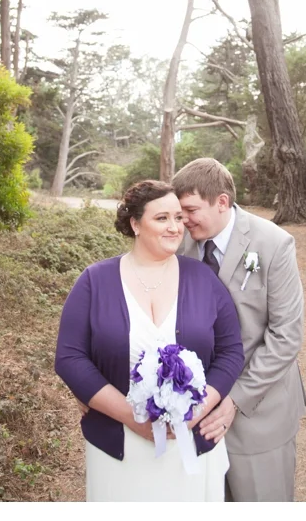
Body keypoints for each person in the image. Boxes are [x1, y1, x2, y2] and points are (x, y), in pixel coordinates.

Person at [55, 180, 245, 502]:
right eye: (161, 219)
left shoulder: (203, 279)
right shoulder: (94, 281)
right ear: (135, 224)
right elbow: (70, 358)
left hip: (191, 445)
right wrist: (133, 418)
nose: (174, 227)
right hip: (121, 449)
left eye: (178, 218)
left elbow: (231, 352)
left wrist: (194, 412)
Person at [172, 158, 306, 502]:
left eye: (189, 210)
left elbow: (286, 336)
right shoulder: (180, 246)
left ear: (221, 202)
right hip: (195, 415)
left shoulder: (274, 244)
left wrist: (233, 400)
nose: (182, 221)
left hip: (260, 411)